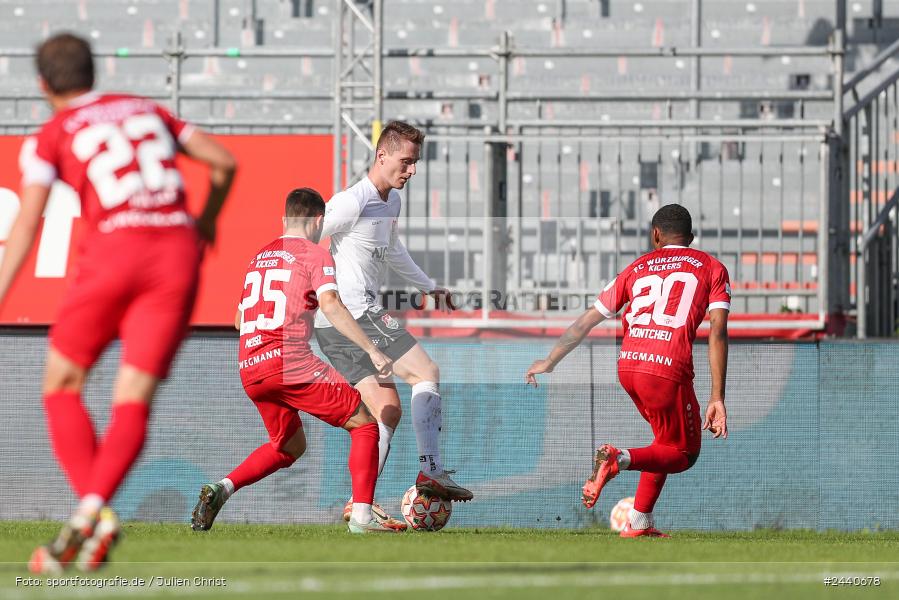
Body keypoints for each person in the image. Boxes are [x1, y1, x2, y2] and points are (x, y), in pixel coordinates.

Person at [0, 33, 237, 573]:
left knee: (60, 384)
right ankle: (92, 512)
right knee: (132, 397)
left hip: (113, 251)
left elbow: (27, 224)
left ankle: (96, 511)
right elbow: (224, 162)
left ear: (42, 85)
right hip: (177, 255)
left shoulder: (50, 134)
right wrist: (207, 219)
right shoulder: (147, 109)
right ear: (95, 71)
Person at [190, 188, 403, 534]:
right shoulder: (314, 254)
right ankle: (363, 518)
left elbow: (239, 321)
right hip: (289, 362)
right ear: (319, 220)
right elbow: (331, 304)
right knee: (365, 423)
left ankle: (222, 488)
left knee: (289, 446)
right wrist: (372, 350)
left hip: (249, 365)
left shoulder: (259, 256)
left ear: (285, 219)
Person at [525, 204, 730, 537]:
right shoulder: (711, 267)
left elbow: (586, 320)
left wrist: (550, 361)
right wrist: (717, 396)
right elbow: (718, 330)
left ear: (655, 235)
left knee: (664, 442)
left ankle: (639, 522)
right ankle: (617, 459)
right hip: (667, 367)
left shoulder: (636, 267)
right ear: (691, 238)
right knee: (683, 454)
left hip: (628, 365)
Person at [314, 120, 472, 528]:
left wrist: (430, 286)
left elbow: (393, 251)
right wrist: (288, 285)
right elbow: (305, 235)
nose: (412, 171)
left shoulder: (391, 204)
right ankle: (430, 470)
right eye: (406, 162)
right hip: (351, 312)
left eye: (416, 163)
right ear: (381, 155)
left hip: (338, 323)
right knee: (427, 371)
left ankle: (360, 509)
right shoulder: (352, 201)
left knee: (385, 411)